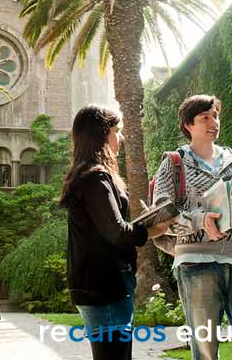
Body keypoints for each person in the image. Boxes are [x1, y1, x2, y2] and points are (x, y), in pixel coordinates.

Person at [151, 94, 232, 360]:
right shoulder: (174, 163)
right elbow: (161, 219)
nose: (213, 122)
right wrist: (199, 220)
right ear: (188, 125)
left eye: (215, 116)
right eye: (204, 118)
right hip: (195, 263)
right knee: (205, 353)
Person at [59, 105, 173, 360]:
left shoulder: (87, 175)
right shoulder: (95, 178)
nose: (121, 137)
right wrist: (156, 228)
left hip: (98, 283)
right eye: (116, 131)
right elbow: (117, 232)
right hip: (105, 285)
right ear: (101, 135)